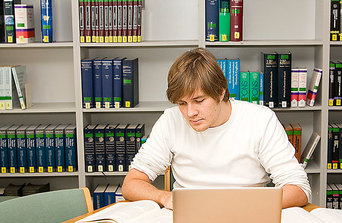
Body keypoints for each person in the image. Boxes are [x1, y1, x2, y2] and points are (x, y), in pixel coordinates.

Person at [122, 48, 311, 209]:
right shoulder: (170, 120)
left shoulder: (260, 119)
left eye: (199, 101)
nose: (190, 113)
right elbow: (131, 184)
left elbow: (299, 189)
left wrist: (247, 207)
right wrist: (164, 198)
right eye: (182, 103)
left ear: (221, 92)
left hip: (248, 214)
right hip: (189, 217)